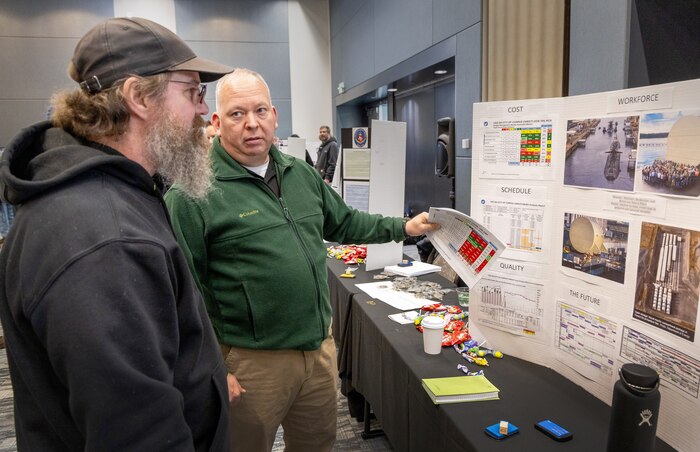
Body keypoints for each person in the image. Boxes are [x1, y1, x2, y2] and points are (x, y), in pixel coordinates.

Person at [164, 68, 439, 452]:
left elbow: (345, 222)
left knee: (316, 445)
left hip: (318, 348)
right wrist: (212, 369)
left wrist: (403, 227)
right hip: (251, 363)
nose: (252, 124)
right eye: (237, 114)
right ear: (216, 121)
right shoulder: (192, 194)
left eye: (260, 111)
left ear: (275, 116)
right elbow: (181, 293)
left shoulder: (301, 174)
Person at [0, 17, 234, 451]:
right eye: (192, 92)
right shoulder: (106, 239)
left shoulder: (110, 197)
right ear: (138, 98)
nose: (204, 110)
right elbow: (140, 436)